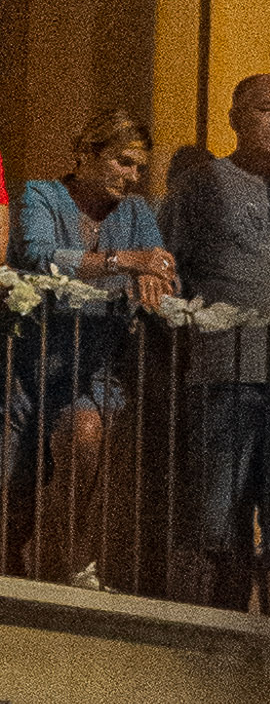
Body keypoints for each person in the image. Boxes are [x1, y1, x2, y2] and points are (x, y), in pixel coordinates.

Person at [159, 75, 270, 618]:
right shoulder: (201, 186)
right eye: (265, 109)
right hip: (225, 374)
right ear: (234, 117)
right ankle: (197, 642)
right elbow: (169, 267)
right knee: (212, 523)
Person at [8, 109, 177, 588]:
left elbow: (162, 266)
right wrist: (123, 261)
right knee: (15, 475)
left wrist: (155, 274)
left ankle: (72, 558)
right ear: (87, 154)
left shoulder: (137, 213)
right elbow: (41, 256)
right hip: (30, 361)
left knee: (86, 438)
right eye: (123, 162)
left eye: (139, 167)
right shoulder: (42, 195)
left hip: (95, 367)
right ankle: (14, 559)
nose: (133, 176)